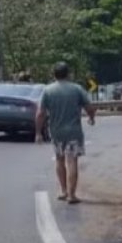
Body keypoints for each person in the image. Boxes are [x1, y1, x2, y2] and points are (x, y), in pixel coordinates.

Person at [35, 62, 96, 204]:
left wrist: (38, 132)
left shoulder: (48, 90)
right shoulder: (77, 89)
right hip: (74, 132)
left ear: (54, 75)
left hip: (56, 132)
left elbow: (40, 113)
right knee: (72, 160)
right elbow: (89, 107)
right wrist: (91, 118)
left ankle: (63, 190)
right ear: (68, 74)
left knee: (59, 159)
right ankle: (71, 195)